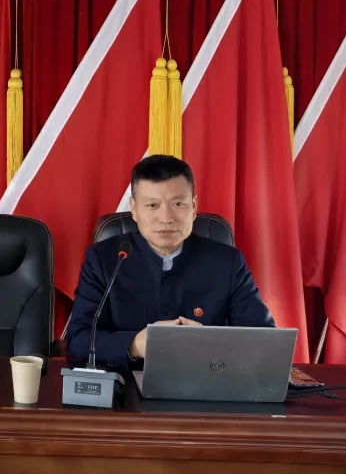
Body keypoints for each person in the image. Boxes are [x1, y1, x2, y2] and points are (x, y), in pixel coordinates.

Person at [65, 154, 274, 369]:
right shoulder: (104, 259)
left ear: (194, 207)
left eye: (178, 203)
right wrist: (135, 345)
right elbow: (77, 338)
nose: (166, 218)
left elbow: (265, 340)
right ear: (134, 209)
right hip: (125, 383)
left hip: (204, 378)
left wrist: (210, 343)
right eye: (152, 205)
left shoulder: (227, 262)